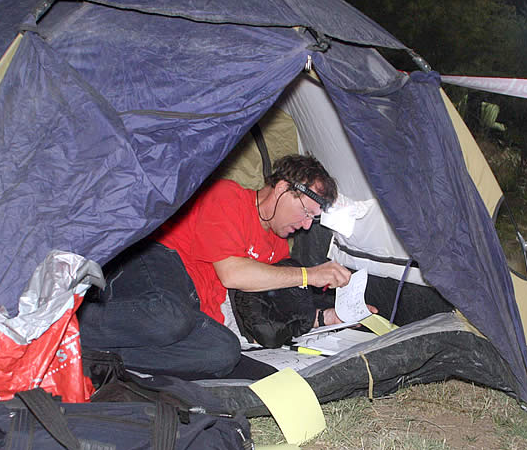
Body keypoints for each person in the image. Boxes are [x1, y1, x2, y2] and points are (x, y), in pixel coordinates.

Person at [77, 155, 371, 379]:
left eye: (312, 219)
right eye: (306, 212)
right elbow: (231, 273)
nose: (306, 225)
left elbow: (272, 310)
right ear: (282, 188)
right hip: (161, 265)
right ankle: (66, 325)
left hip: (195, 311)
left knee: (223, 352)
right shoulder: (229, 196)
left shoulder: (279, 248)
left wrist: (328, 317)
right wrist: (309, 274)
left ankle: (92, 354)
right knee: (169, 316)